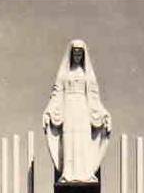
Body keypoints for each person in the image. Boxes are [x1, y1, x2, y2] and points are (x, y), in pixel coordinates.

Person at [43, 39, 111, 183]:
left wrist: (103, 113)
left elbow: (94, 96)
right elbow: (56, 93)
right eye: (75, 53)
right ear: (71, 54)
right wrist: (49, 110)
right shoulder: (64, 74)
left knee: (83, 140)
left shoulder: (87, 74)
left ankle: (85, 173)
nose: (77, 56)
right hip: (68, 109)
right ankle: (68, 173)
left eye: (80, 54)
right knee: (69, 139)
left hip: (83, 109)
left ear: (84, 55)